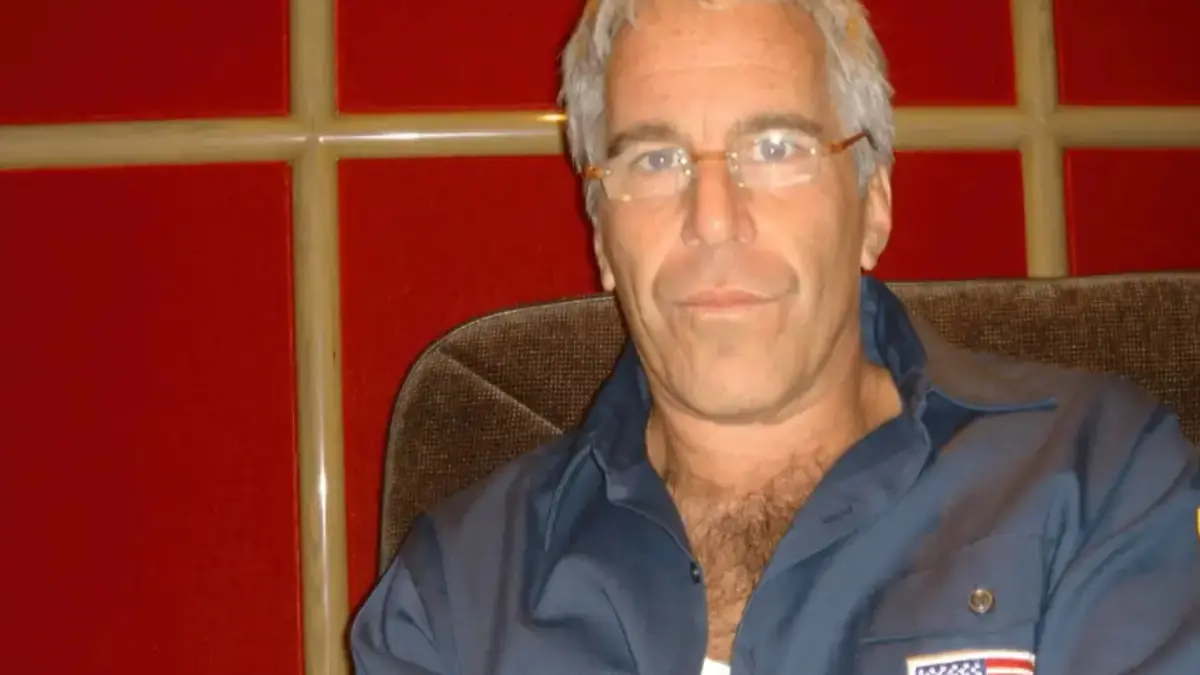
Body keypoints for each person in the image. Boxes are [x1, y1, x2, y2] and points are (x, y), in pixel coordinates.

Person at [351, 0, 1200, 673]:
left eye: (774, 146)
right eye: (656, 160)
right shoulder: (455, 597)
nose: (714, 219)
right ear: (603, 234)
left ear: (873, 204)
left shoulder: (1098, 481)